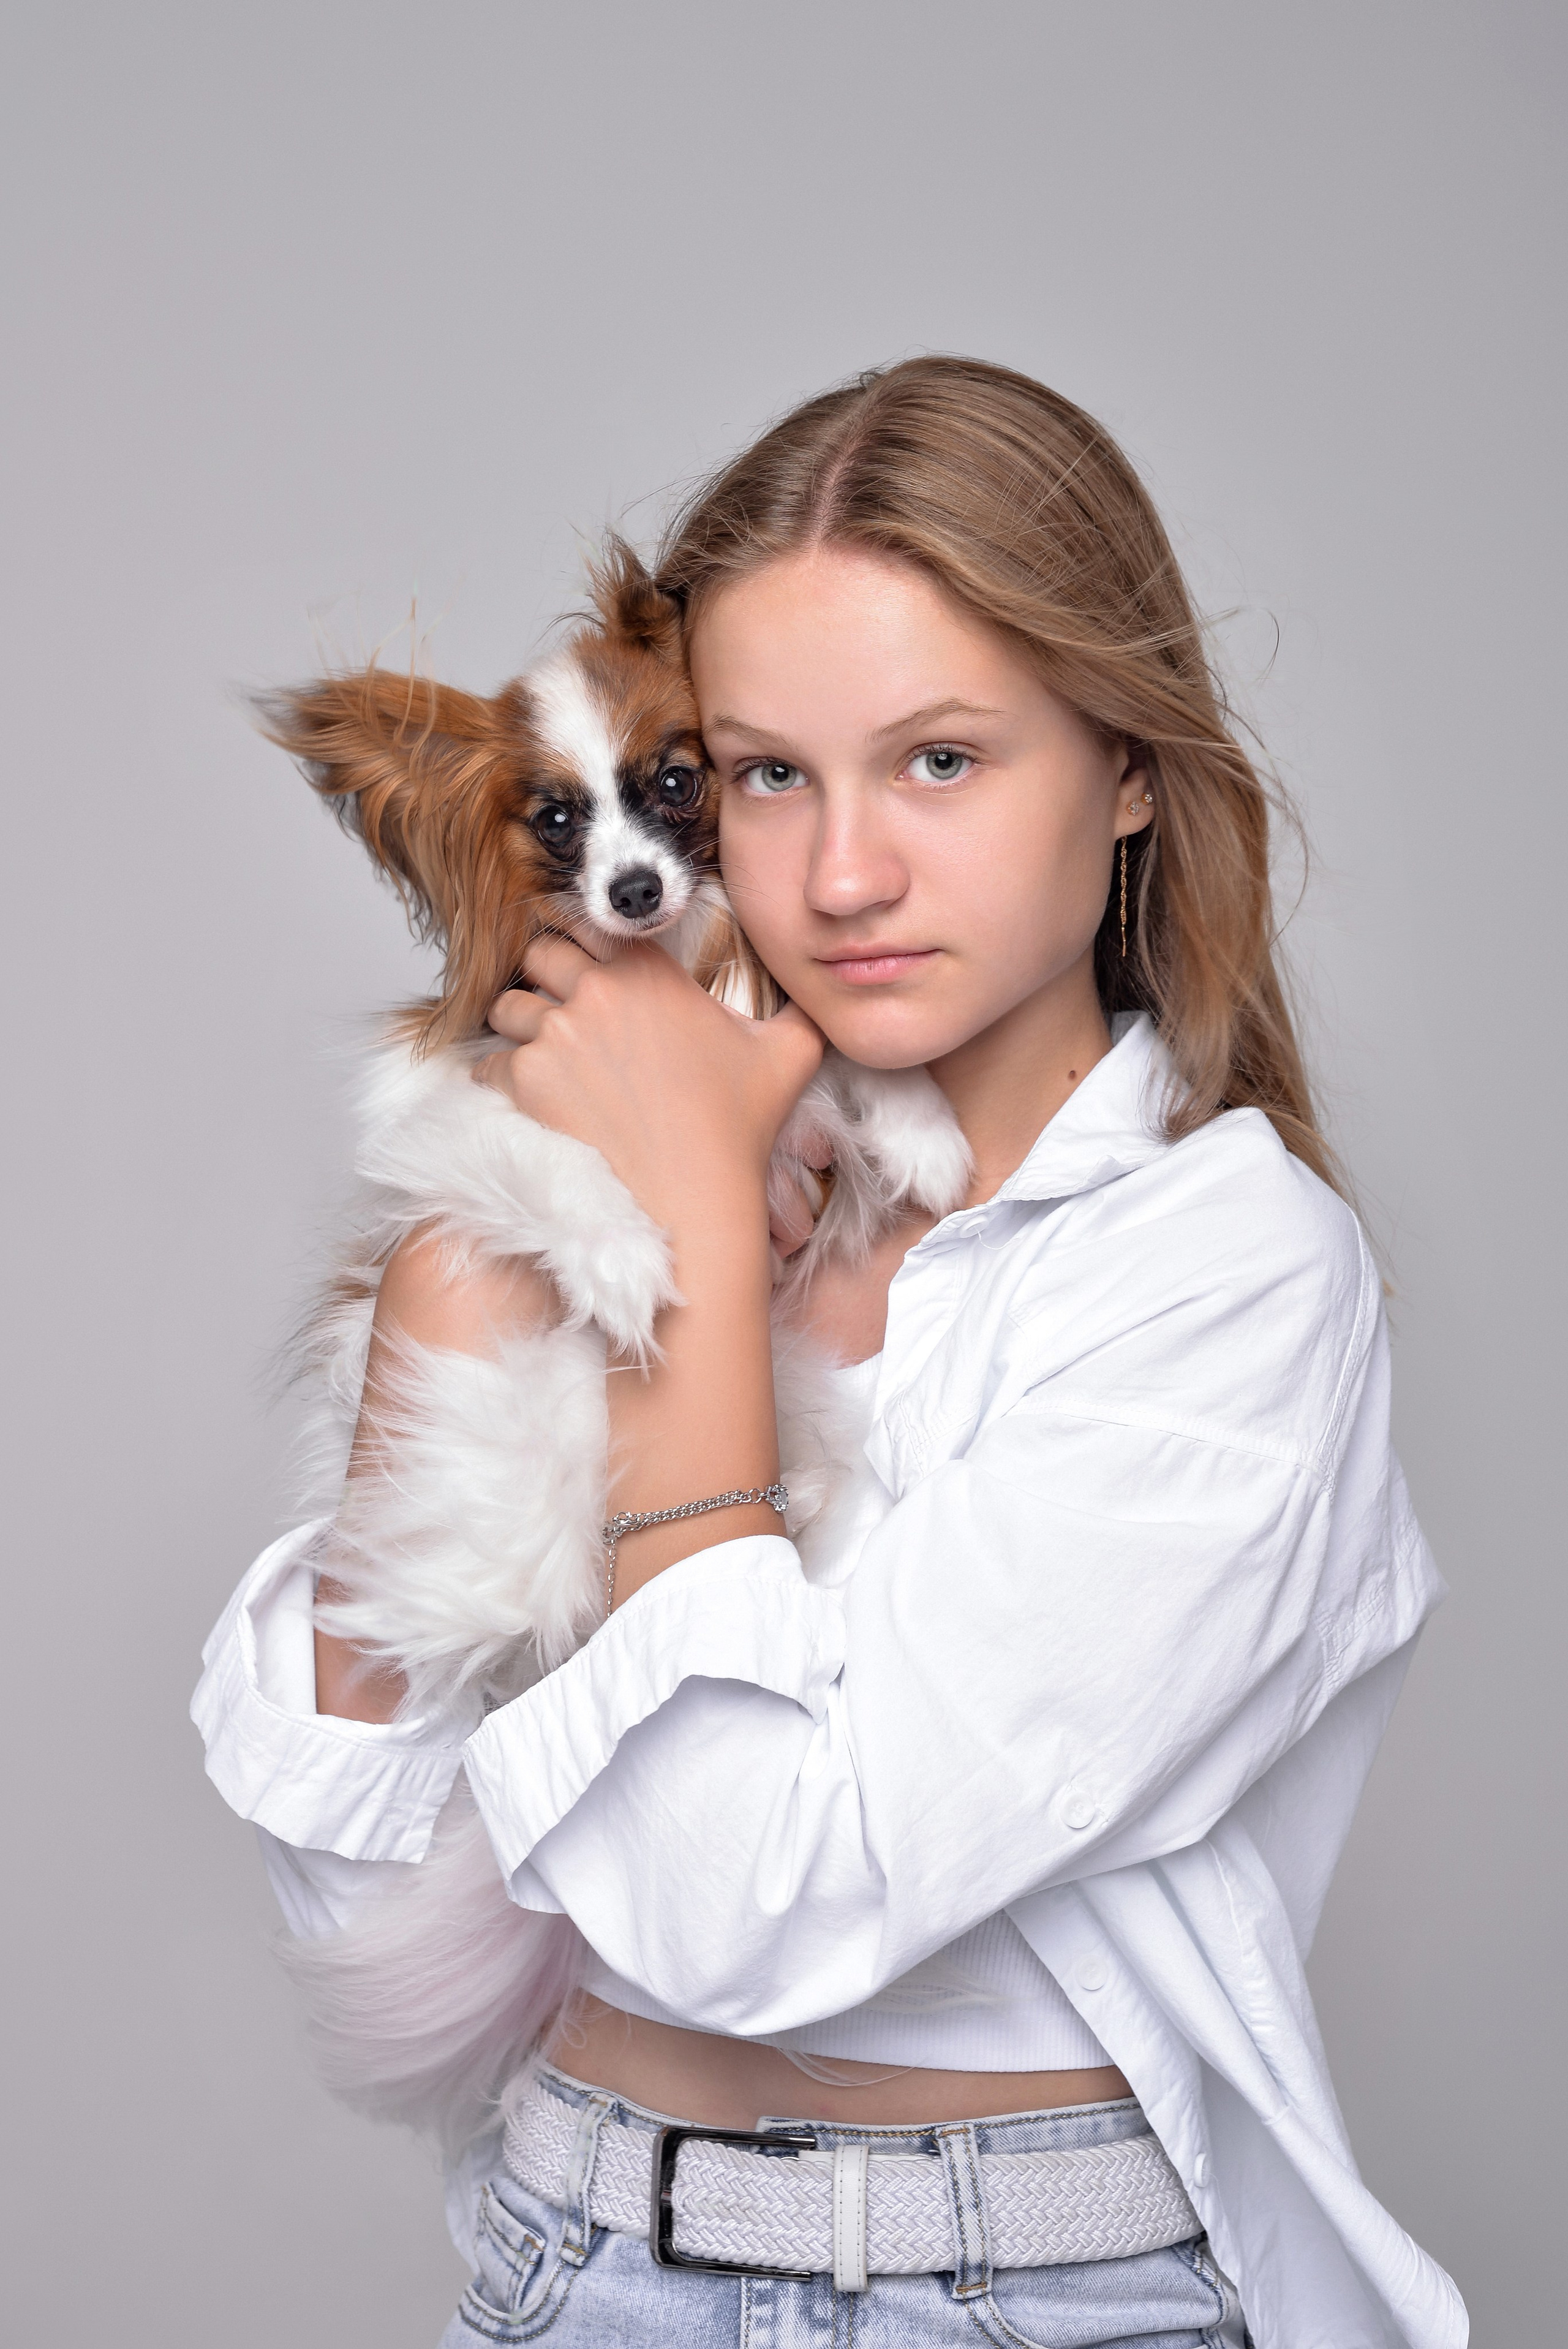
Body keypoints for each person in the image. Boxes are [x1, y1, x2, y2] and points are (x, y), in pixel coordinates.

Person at [194, 358, 1465, 2347]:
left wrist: (692, 1232)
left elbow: (738, 1907)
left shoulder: (1220, 1276)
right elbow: (377, 1950)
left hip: (1035, 2296)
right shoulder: (563, 1197)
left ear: (1130, 767)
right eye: (767, 772)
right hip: (567, 2257)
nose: (842, 874)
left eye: (941, 760)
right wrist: (446, 1321)